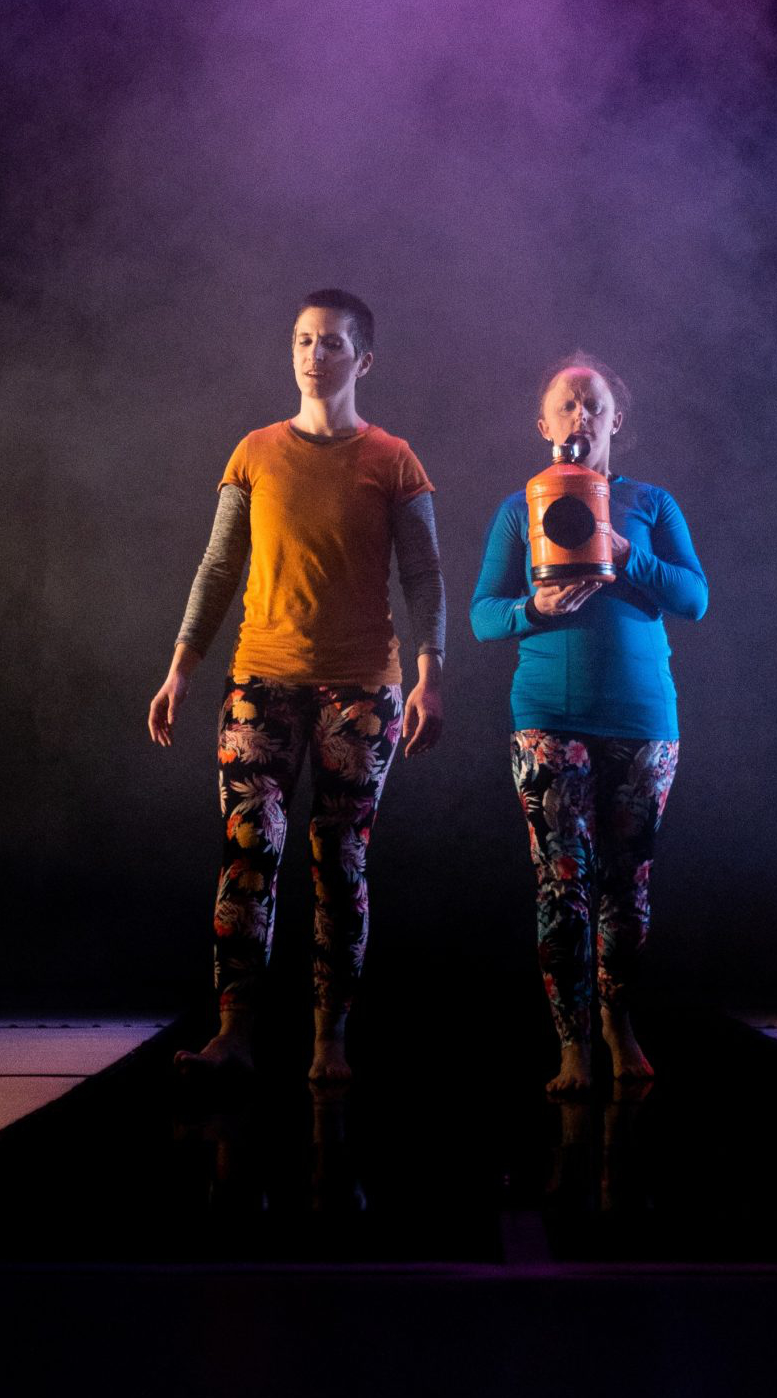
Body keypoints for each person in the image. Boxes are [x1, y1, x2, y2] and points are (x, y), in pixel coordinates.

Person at [148, 289, 444, 1084]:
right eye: (304, 341)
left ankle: (329, 1041)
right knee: (249, 850)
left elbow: (422, 573)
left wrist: (429, 671)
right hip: (261, 681)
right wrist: (181, 664)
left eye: (333, 344)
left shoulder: (393, 460)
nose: (315, 356)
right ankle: (235, 1031)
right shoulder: (254, 452)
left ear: (363, 360)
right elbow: (217, 567)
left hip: (360, 690)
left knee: (339, 858)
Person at [470, 353, 706, 1096]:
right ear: (543, 424)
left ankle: (617, 1023)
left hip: (640, 717)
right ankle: (572, 1045)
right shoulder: (520, 507)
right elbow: (481, 612)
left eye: (593, 404)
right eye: (566, 405)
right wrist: (528, 612)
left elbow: (694, 597)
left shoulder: (651, 503)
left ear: (615, 420)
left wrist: (627, 554)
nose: (580, 416)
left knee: (626, 884)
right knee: (560, 883)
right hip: (547, 714)